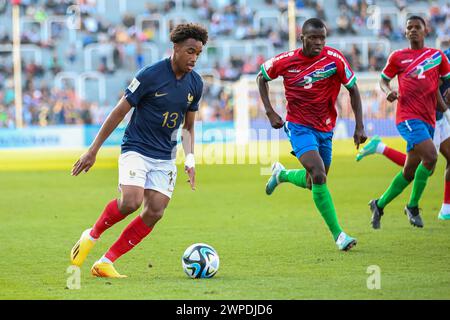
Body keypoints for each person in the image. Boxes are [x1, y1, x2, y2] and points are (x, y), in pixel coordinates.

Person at [69, 23, 208, 278]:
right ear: (175, 48)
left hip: (165, 155)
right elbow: (119, 111)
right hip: (137, 148)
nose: (194, 58)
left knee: (155, 211)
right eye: (190, 51)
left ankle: (105, 262)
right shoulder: (150, 75)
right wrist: (93, 150)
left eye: (198, 53)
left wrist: (190, 158)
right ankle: (92, 234)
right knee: (131, 201)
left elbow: (189, 126)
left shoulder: (195, 84)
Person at [256, 18, 367, 251]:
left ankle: (282, 175)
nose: (318, 43)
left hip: (326, 128)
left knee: (312, 181)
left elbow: (353, 89)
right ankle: (339, 235)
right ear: (302, 38)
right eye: (313, 38)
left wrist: (359, 126)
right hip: (298, 126)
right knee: (318, 174)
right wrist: (269, 111)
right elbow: (261, 77)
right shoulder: (286, 61)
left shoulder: (334, 59)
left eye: (322, 38)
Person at [368, 16, 450, 229]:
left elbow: (444, 80)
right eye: (409, 28)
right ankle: (412, 206)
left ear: (426, 31)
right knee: (431, 157)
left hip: (428, 119)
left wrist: (444, 102)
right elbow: (383, 80)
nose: (413, 30)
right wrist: (387, 92)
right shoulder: (398, 57)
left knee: (410, 171)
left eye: (417, 27)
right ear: (405, 33)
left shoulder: (437, 56)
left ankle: (379, 204)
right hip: (407, 117)